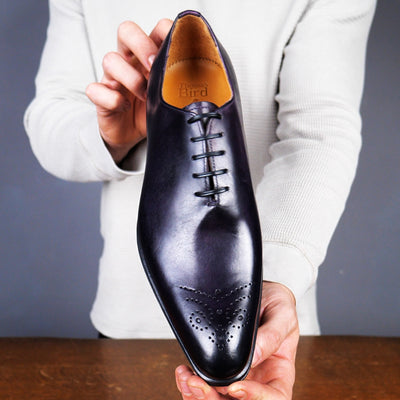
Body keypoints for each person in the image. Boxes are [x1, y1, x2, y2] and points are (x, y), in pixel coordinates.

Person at [24, 1, 376, 399]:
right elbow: (47, 119)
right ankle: (173, 118)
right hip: (125, 326)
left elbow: (320, 131)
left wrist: (277, 276)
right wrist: (111, 136)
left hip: (271, 329)